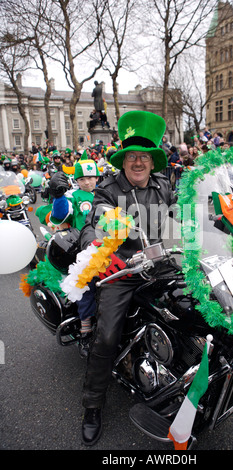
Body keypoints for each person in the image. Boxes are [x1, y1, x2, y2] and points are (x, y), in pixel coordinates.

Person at [79, 110, 177, 446]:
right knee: (106, 336)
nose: (138, 162)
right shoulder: (108, 190)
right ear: (124, 161)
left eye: (144, 157)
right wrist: (99, 246)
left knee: (199, 307)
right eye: (132, 156)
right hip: (123, 270)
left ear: (152, 162)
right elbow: (93, 223)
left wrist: (211, 225)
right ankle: (92, 405)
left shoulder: (164, 186)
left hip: (163, 265)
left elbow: (182, 218)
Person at [36, 151, 100, 357]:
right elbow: (59, 215)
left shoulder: (107, 193)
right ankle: (86, 326)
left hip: (110, 245)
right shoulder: (74, 196)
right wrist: (59, 195)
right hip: (83, 249)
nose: (87, 182)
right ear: (77, 180)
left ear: (97, 178)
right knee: (87, 287)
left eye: (91, 177)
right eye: (82, 178)